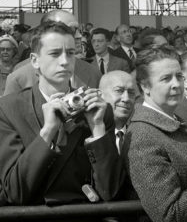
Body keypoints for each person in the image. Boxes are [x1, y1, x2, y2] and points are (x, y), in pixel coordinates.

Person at [0, 21, 124, 205]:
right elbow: (15, 192)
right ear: (35, 60)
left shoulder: (97, 110)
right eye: (54, 53)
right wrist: (47, 132)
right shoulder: (9, 109)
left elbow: (111, 191)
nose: (65, 61)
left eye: (71, 53)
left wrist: (97, 129)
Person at [124, 45, 187, 222]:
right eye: (166, 79)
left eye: (179, 76)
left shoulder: (172, 121)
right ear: (145, 87)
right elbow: (168, 214)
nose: (176, 84)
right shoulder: (144, 137)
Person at [4, 10, 101, 95]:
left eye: (79, 30)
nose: (79, 35)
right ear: (47, 30)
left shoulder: (93, 73)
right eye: (71, 30)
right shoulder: (19, 78)